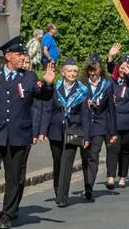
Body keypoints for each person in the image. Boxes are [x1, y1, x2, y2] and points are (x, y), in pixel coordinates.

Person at [0, 37, 55, 229]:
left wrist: (48, 84)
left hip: (19, 135)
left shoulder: (29, 77)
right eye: (19, 54)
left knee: (13, 176)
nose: (23, 58)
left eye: (23, 54)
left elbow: (43, 96)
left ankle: (8, 214)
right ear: (8, 56)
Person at [39, 58, 91, 207]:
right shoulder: (55, 87)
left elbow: (85, 115)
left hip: (74, 128)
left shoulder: (82, 90)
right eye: (69, 70)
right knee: (58, 162)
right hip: (55, 128)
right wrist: (42, 131)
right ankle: (58, 189)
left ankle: (62, 197)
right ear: (63, 72)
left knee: (67, 162)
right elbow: (47, 110)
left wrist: (86, 136)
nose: (73, 73)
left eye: (75, 71)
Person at [82, 57, 117, 200]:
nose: (93, 73)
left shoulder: (107, 85)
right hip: (85, 125)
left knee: (93, 155)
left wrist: (113, 132)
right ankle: (87, 183)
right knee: (86, 156)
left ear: (100, 70)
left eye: (95, 70)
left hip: (100, 125)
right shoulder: (83, 85)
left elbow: (111, 109)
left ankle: (89, 186)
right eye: (90, 70)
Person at [106, 55, 129, 189]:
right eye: (121, 67)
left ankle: (122, 177)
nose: (123, 70)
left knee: (125, 150)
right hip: (114, 120)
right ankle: (110, 177)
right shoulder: (111, 80)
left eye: (126, 67)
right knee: (113, 148)